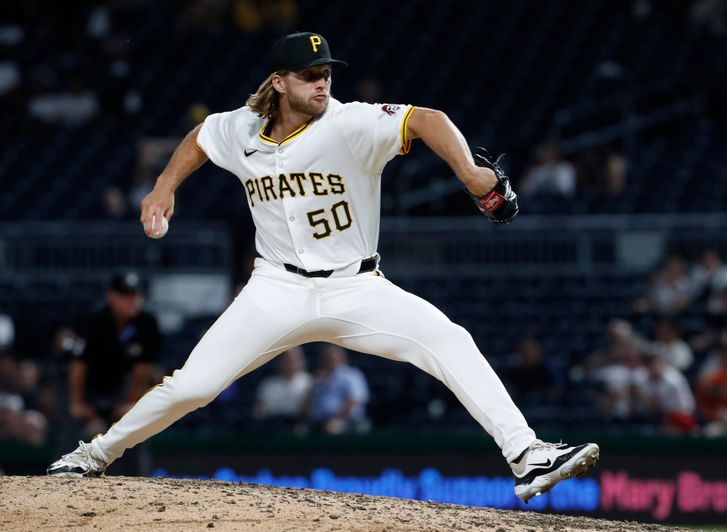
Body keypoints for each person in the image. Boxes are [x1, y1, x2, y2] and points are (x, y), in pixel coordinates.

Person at [47, 32, 598, 501]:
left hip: (357, 287)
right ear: (279, 81)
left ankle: (528, 457)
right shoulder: (241, 128)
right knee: (193, 386)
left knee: (449, 339)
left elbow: (428, 120)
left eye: (327, 73)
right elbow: (200, 137)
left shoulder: (350, 123)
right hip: (274, 288)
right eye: (310, 74)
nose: (322, 83)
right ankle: (92, 455)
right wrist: (164, 186)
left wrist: (473, 176)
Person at [58, 271, 162, 438]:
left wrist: (132, 402)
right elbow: (78, 365)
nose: (133, 301)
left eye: (136, 295)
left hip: (120, 385)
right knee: (83, 435)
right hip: (87, 385)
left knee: (132, 429)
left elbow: (143, 368)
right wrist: (78, 403)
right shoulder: (93, 321)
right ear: (111, 296)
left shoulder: (147, 323)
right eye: (126, 296)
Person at [303, 344, 369, 434]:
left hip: (346, 420)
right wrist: (314, 384)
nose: (330, 359)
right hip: (317, 421)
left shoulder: (352, 375)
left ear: (341, 357)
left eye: (332, 356)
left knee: (332, 428)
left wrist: (337, 418)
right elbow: (309, 403)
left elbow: (354, 400)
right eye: (327, 357)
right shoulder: (318, 377)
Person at [252, 347, 311, 421]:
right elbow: (259, 411)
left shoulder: (309, 382)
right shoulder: (268, 384)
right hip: (272, 425)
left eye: (294, 359)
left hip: (299, 425)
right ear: (280, 361)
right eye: (286, 359)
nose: (290, 363)